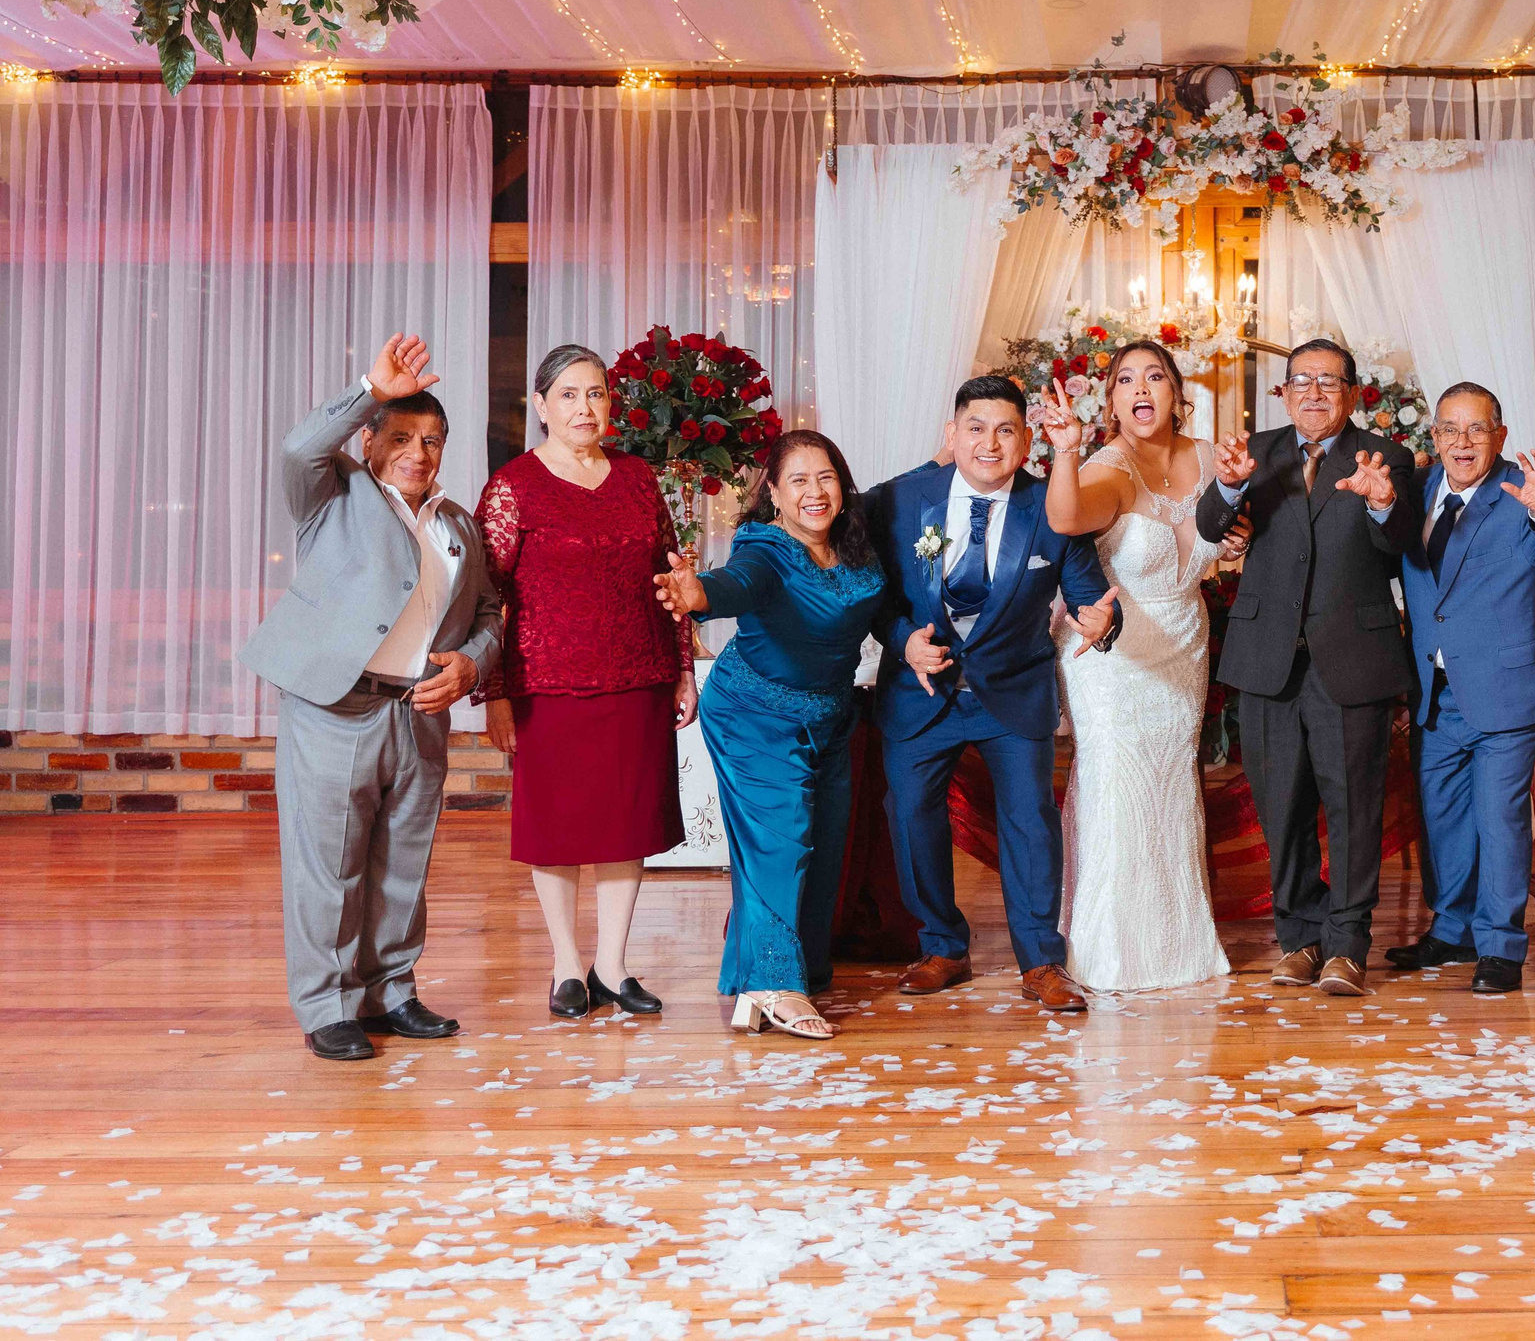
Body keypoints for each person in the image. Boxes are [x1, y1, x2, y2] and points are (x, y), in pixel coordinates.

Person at [241, 334, 503, 1061]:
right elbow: (298, 449)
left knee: (402, 863)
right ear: (372, 438)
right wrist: (370, 387)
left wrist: (472, 667)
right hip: (335, 706)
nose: (418, 451)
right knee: (329, 862)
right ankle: (328, 1004)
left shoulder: (458, 525)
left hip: (417, 712)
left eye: (432, 439)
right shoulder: (334, 494)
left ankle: (391, 989)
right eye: (400, 435)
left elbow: (487, 615)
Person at [867, 375, 1122, 1013]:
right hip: (920, 691)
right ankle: (942, 948)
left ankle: (1041, 960)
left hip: (1014, 692)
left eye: (1006, 430)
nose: (990, 443)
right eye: (975, 429)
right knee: (910, 814)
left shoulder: (1051, 506)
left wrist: (1100, 619)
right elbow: (865, 589)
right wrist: (902, 642)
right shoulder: (898, 500)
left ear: (1026, 440)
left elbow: (1090, 592)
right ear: (951, 436)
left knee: (1030, 822)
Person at [1194, 338, 1424, 997]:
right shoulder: (1256, 452)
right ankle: (1299, 936)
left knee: (1353, 805)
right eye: (1302, 381)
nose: (1315, 392)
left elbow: (1399, 542)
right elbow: (1214, 525)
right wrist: (1230, 485)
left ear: (1353, 393)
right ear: (1285, 391)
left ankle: (1347, 944)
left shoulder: (1386, 456)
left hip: (1351, 660)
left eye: (1330, 381)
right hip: (1268, 661)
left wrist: (1382, 502)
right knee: (1280, 805)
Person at [476, 345, 695, 1022]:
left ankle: (613, 964)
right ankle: (567, 964)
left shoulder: (636, 478)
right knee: (560, 829)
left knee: (626, 824)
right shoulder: (513, 487)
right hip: (548, 683)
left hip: (638, 673)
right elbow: (488, 597)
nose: (584, 407)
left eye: (596, 393)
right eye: (568, 394)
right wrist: (496, 693)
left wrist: (684, 663)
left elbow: (672, 576)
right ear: (540, 406)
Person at [652, 430, 890, 1039]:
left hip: (830, 716)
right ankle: (772, 985)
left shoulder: (854, 543)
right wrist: (699, 592)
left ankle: (787, 972)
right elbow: (738, 584)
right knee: (780, 841)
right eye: (800, 481)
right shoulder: (765, 547)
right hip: (754, 714)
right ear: (775, 495)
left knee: (825, 843)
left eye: (827, 477)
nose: (816, 491)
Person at [1035, 342, 1242, 992]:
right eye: (1126, 378)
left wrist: (1242, 534)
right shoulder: (1111, 466)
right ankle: (1107, 952)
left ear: (1177, 390)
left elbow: (1230, 527)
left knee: (1173, 786)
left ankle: (1182, 947)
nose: (1141, 387)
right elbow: (1065, 516)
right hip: (1113, 652)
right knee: (1118, 786)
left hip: (1184, 641)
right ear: (1112, 399)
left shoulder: (1207, 456)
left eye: (1155, 374)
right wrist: (1067, 449)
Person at [1386, 383, 1535, 995]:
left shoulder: (1521, 492)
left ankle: (1500, 944)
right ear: (1435, 437)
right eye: (1450, 429)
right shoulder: (1415, 492)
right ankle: (1453, 931)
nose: (1463, 442)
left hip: (1508, 687)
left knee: (1498, 816)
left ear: (1500, 435)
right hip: (1435, 687)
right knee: (1443, 816)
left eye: (1477, 429)